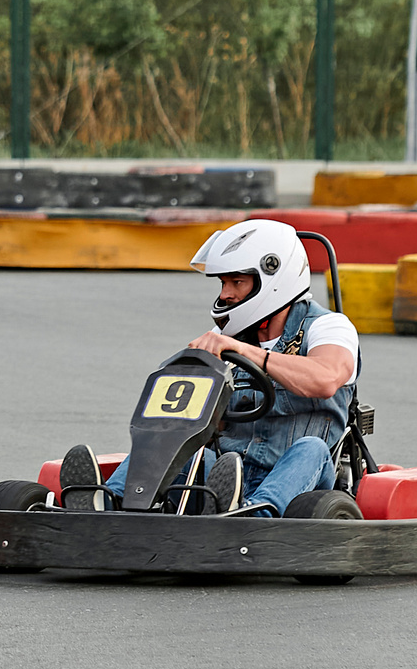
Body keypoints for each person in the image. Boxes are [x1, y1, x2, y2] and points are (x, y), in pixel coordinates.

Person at [56, 219, 359, 516]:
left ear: (275, 278)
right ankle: (110, 502)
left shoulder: (328, 327)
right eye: (223, 283)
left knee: (311, 448)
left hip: (298, 479)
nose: (225, 294)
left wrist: (246, 352)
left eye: (237, 282)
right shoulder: (224, 338)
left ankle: (254, 516)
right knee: (177, 442)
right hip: (227, 478)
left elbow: (325, 379)